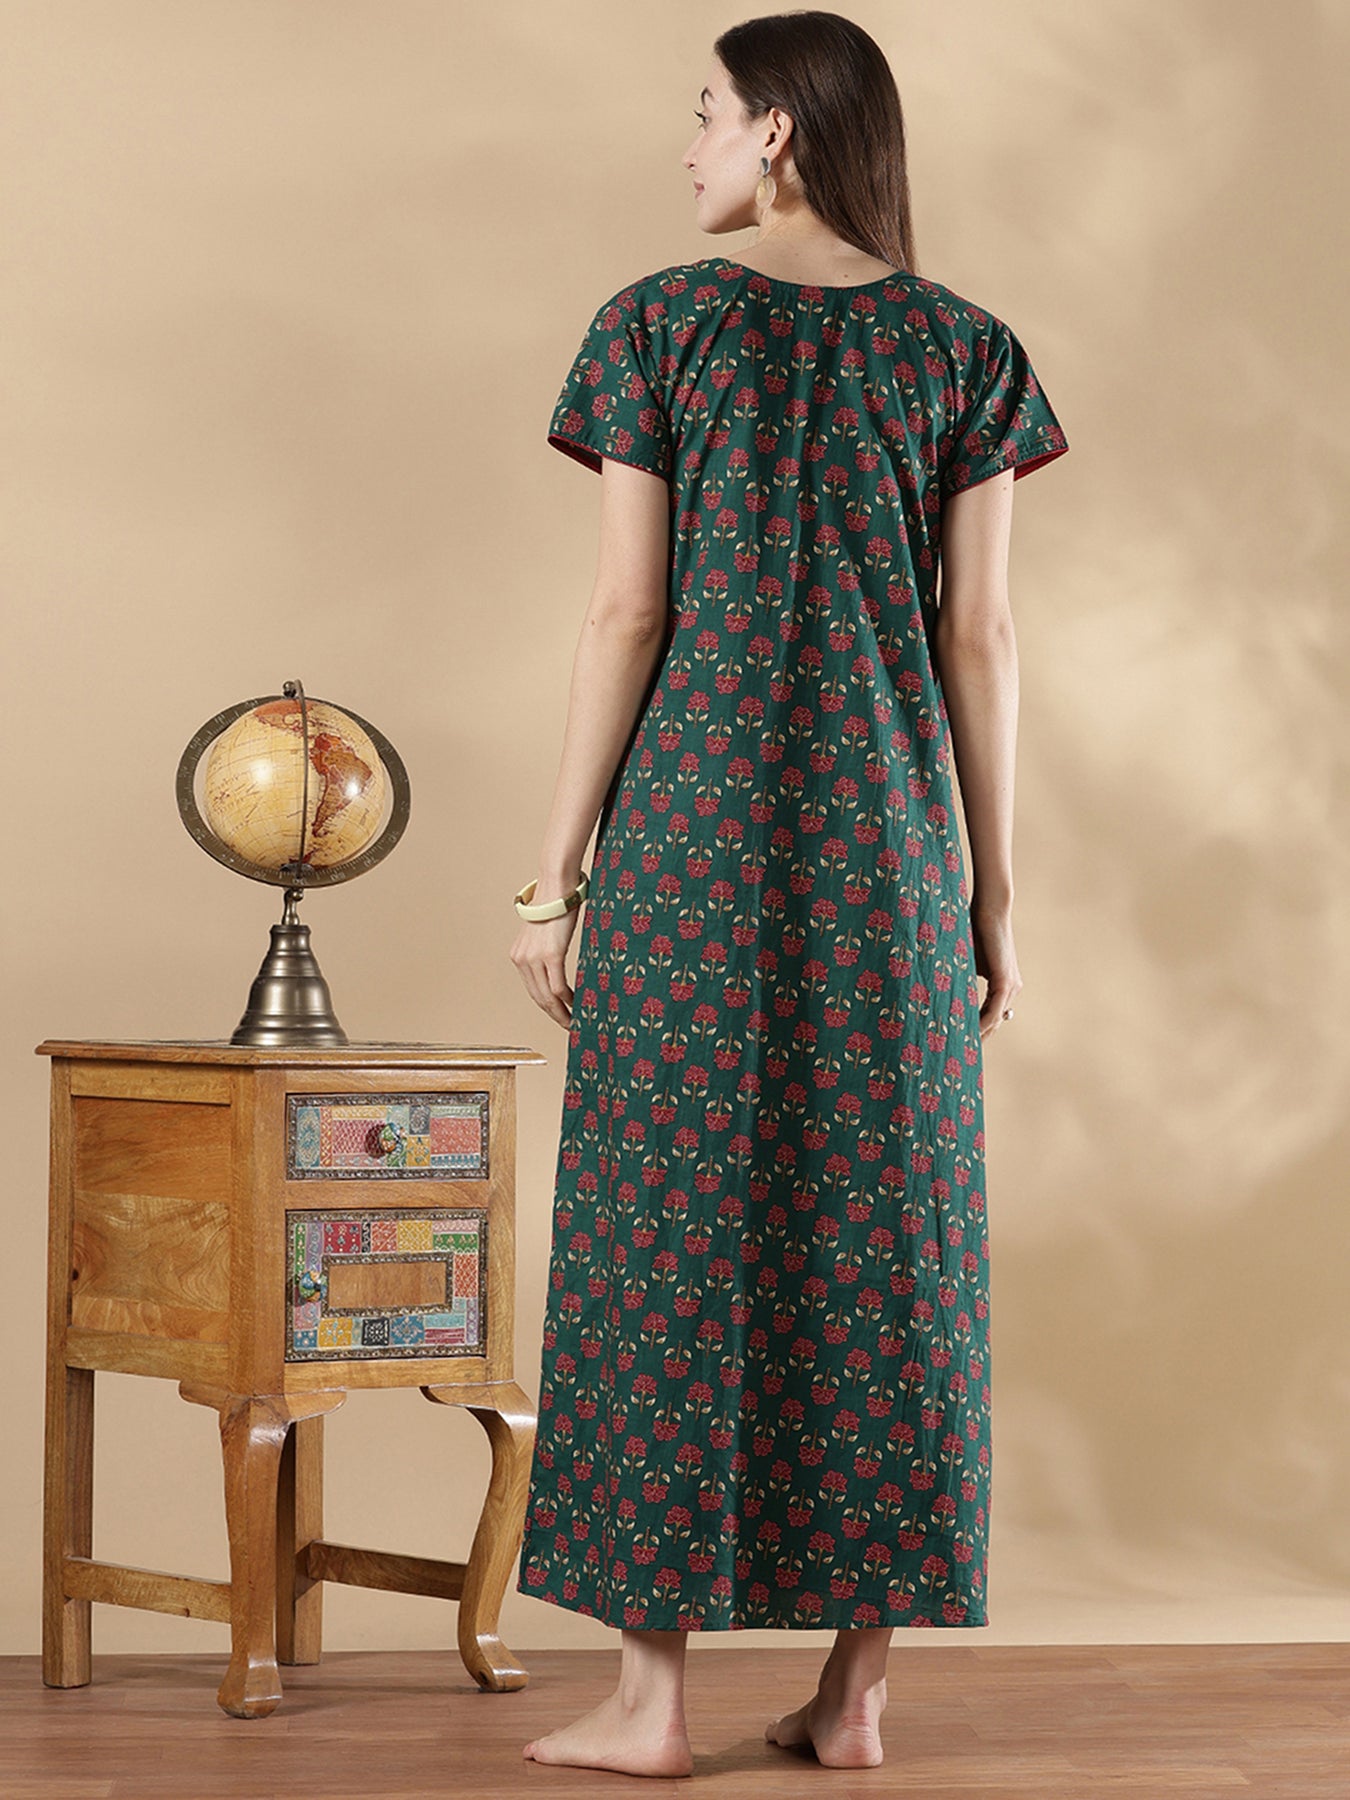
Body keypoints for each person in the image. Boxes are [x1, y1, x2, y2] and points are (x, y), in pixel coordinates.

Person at [508, 9, 1069, 1776]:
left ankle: (652, 1703)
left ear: (774, 132)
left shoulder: (655, 326)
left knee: (660, 1230)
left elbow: (628, 612)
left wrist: (552, 875)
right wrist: (990, 893)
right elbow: (979, 638)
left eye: (703, 113)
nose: (684, 146)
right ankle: (855, 1698)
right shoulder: (966, 351)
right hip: (888, 847)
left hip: (691, 839)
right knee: (890, 1241)